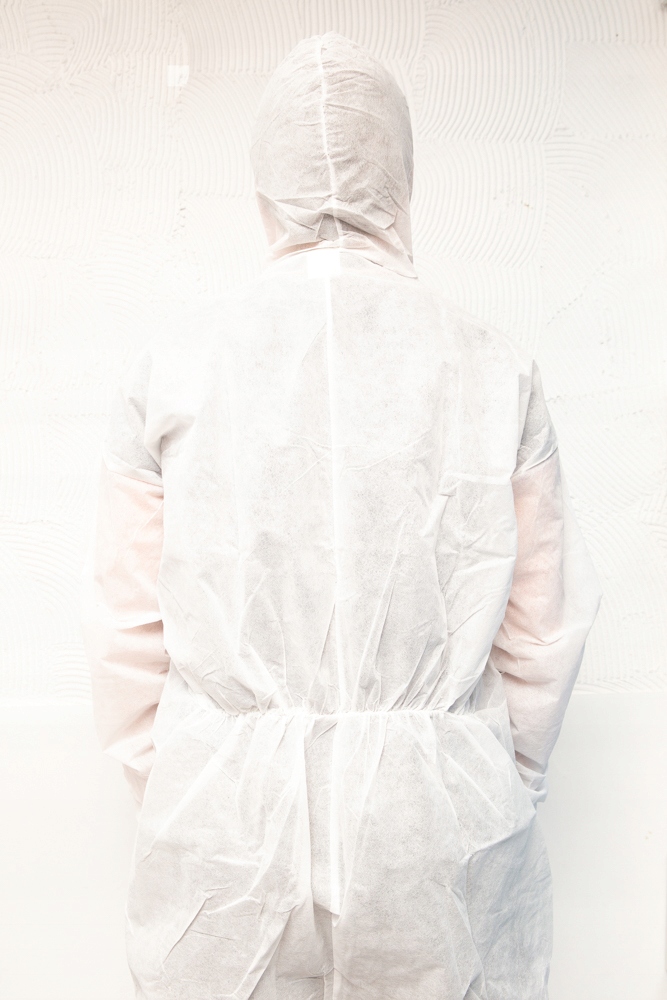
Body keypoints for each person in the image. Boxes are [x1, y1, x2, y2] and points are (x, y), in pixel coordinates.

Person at [82, 32, 601, 1000]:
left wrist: (193, 779)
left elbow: (125, 629)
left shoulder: (173, 368)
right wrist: (481, 778)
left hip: (224, 830)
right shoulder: (493, 366)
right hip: (439, 826)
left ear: (264, 179)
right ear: (399, 171)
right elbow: (542, 630)